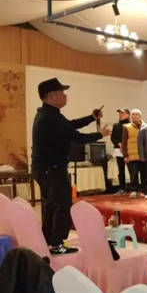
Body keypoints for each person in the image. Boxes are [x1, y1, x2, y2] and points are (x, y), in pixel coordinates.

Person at [31, 78, 109, 254]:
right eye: (62, 92)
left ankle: (48, 240)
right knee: (62, 205)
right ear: (52, 95)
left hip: (43, 169)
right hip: (52, 169)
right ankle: (56, 243)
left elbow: (70, 125)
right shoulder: (50, 117)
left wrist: (91, 117)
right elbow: (76, 137)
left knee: (51, 206)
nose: (65, 96)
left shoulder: (48, 114)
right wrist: (100, 134)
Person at [122, 109, 143, 198]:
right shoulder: (126, 127)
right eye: (133, 114)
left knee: (144, 174)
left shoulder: (144, 126)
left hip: (142, 155)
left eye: (137, 114)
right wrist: (125, 155)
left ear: (140, 116)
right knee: (133, 174)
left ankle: (143, 190)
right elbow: (124, 142)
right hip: (131, 155)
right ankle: (134, 190)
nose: (135, 116)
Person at [111, 108, 129, 195]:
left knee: (132, 169)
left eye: (123, 113)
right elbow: (113, 138)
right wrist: (119, 144)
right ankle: (122, 188)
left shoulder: (131, 124)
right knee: (120, 170)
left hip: (129, 149)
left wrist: (125, 145)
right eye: (119, 113)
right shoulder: (116, 125)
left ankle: (134, 188)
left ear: (128, 115)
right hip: (118, 150)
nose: (120, 115)